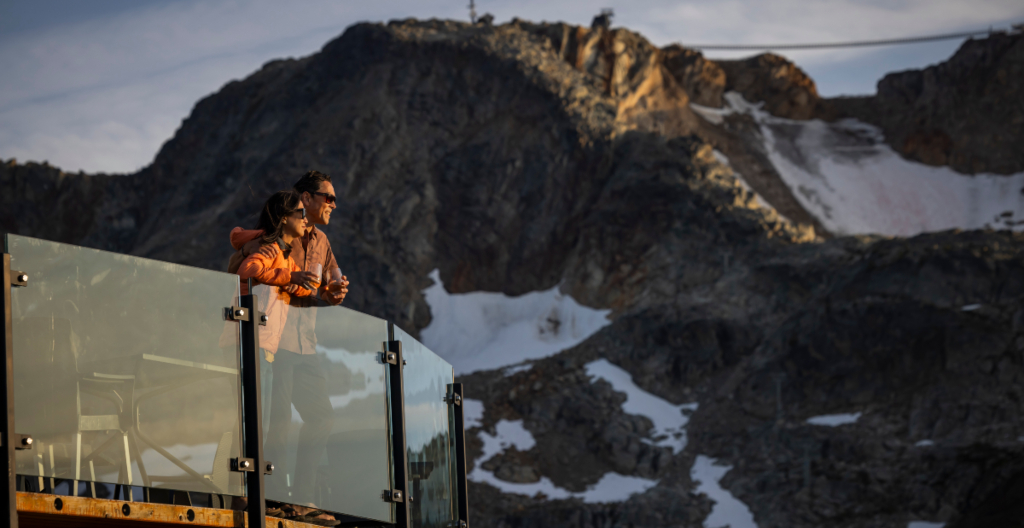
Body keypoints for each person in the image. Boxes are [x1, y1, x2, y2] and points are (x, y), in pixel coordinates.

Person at [237, 171, 349, 512]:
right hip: (273, 340)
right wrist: (288, 277)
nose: (333, 204)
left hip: (306, 344)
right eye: (327, 197)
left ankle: (301, 498)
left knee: (321, 417)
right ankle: (271, 499)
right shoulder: (279, 234)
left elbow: (330, 286)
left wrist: (335, 292)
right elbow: (249, 268)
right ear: (305, 198)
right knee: (278, 424)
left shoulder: (322, 242)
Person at [227, 190, 317, 433]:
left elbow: (302, 284)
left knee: (255, 425)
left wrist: (323, 287)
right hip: (249, 343)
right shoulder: (269, 249)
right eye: (301, 213)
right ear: (284, 217)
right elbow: (247, 271)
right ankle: (231, 472)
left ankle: (234, 471)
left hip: (260, 345)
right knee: (251, 426)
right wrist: (290, 277)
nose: (306, 219)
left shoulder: (284, 255)